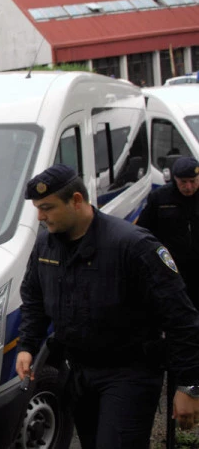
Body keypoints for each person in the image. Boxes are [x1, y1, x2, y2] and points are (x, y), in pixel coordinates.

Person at [16, 164, 199, 448]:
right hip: (78, 371)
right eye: (38, 209)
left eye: (47, 208)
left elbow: (181, 317)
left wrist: (189, 385)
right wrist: (27, 345)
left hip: (129, 373)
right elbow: (34, 298)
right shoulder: (46, 246)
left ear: (77, 200)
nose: (40, 217)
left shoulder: (132, 246)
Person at [137, 156, 199, 308]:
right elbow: (143, 231)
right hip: (172, 266)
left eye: (193, 181)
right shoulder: (160, 198)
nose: (189, 187)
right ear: (175, 179)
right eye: (183, 182)